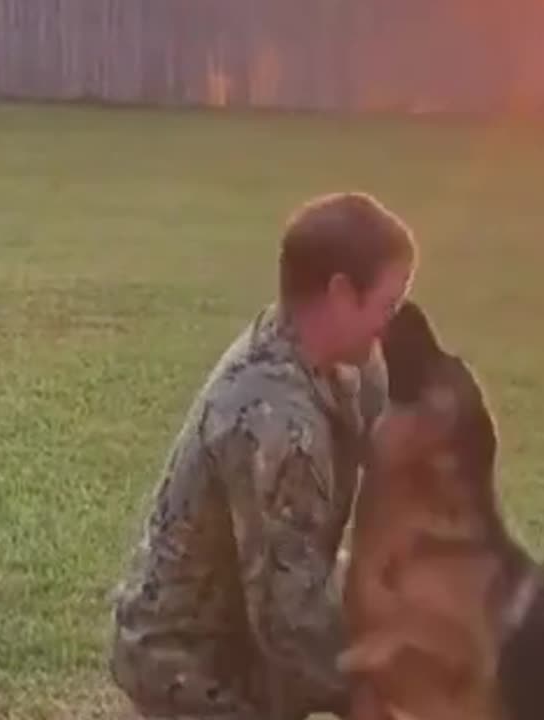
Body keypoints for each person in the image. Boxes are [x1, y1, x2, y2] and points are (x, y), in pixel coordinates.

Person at [108, 191, 419, 720]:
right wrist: (372, 701)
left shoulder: (331, 354)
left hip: (251, 612)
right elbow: (288, 624)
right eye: (386, 306)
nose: (392, 324)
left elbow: (394, 456)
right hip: (188, 661)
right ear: (341, 294)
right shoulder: (275, 420)